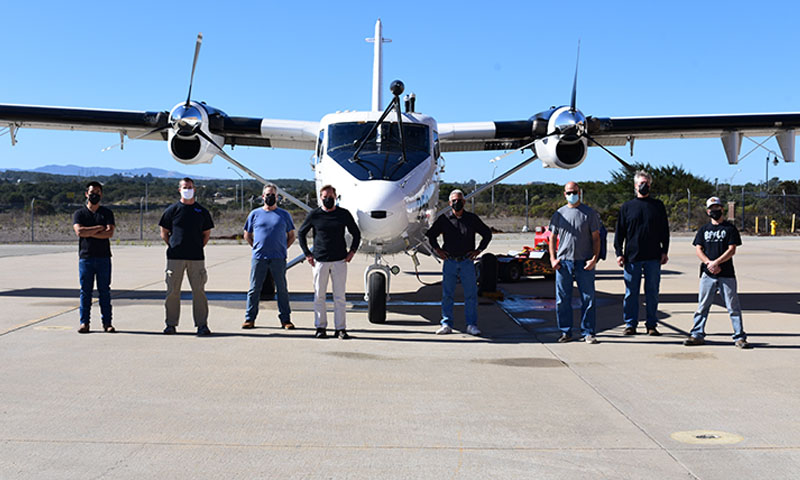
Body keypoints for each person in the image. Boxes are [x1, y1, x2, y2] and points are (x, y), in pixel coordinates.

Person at [684, 197, 751, 349]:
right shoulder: (704, 230)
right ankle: (697, 334)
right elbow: (698, 249)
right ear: (708, 211)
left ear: (722, 209)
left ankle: (739, 337)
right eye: (711, 208)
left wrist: (717, 262)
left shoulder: (730, 229)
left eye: (717, 208)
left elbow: (732, 249)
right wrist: (709, 263)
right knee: (703, 305)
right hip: (708, 274)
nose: (715, 211)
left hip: (726, 273)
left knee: (733, 306)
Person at [426, 189, 492, 336]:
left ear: (464, 202)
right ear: (450, 203)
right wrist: (438, 250)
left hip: (466, 262)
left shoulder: (472, 219)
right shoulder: (444, 219)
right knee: (447, 294)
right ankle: (446, 324)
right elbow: (431, 235)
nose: (457, 203)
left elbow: (487, 234)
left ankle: (471, 325)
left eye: (460, 200)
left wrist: (479, 250)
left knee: (470, 295)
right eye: (454, 201)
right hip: (450, 261)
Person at [298, 185, 361, 339]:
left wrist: (352, 251)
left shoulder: (343, 214)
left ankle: (340, 329)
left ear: (335, 197)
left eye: (330, 197)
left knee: (339, 296)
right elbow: (301, 233)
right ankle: (320, 327)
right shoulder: (314, 215)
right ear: (320, 198)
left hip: (339, 260)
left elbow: (356, 233)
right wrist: (307, 254)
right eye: (325, 197)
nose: (328, 199)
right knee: (319, 295)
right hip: (320, 261)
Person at [614, 170, 670, 336]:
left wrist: (664, 251)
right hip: (632, 257)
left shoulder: (658, 206)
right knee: (631, 293)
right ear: (635, 186)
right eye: (641, 183)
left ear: (650, 185)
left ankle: (651, 325)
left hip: (653, 257)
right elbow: (620, 233)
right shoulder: (627, 207)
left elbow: (664, 231)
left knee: (652, 292)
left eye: (646, 183)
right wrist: (619, 252)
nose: (643, 186)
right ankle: (630, 324)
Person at [159, 177, 215, 336]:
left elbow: (206, 234)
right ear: (179, 190)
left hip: (196, 258)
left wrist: (197, 246)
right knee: (172, 292)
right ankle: (171, 324)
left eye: (190, 187)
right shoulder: (172, 210)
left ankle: (202, 325)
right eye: (185, 187)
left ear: (194, 189)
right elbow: (164, 232)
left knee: (199, 292)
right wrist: (173, 245)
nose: (188, 189)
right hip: (175, 258)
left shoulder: (201, 211)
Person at [548, 182, 601, 344]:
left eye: (575, 192)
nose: (572, 195)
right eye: (569, 192)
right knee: (562, 299)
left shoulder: (589, 213)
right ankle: (566, 331)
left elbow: (596, 237)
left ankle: (588, 332)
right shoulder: (559, 214)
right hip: (564, 262)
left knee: (588, 298)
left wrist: (594, 258)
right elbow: (552, 237)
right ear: (564, 194)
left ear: (580, 192)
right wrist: (552, 258)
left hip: (584, 262)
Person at [242, 184, 296, 329]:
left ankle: (286, 320)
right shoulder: (255, 214)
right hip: (259, 258)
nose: (270, 197)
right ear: (263, 196)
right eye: (267, 194)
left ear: (277, 197)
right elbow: (247, 234)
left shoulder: (284, 215)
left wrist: (283, 248)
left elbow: (291, 235)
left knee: (282, 289)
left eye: (273, 194)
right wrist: (256, 247)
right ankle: (249, 319)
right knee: (254, 289)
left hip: (278, 258)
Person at [72, 181, 116, 333]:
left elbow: (109, 233)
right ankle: (84, 322)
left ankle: (107, 323)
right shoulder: (79, 214)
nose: (94, 195)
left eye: (97, 192)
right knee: (85, 291)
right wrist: (98, 228)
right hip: (86, 258)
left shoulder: (107, 213)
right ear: (86, 194)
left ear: (101, 194)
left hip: (103, 257)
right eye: (92, 192)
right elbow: (80, 232)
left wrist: (89, 232)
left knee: (104, 291)